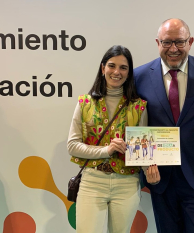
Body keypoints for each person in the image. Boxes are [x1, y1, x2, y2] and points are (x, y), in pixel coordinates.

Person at [134, 18, 194, 233]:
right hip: (160, 179)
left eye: (179, 42)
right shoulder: (138, 77)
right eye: (167, 43)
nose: (173, 49)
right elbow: (137, 124)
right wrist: (145, 165)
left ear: (190, 41)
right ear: (158, 43)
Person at [67, 45, 160, 233]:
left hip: (126, 183)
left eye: (123, 67)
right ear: (103, 69)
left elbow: (141, 151)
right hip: (92, 180)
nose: (116, 72)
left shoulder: (138, 107)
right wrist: (106, 150)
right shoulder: (85, 103)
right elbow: (72, 145)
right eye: (112, 66)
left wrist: (151, 172)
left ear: (129, 73)